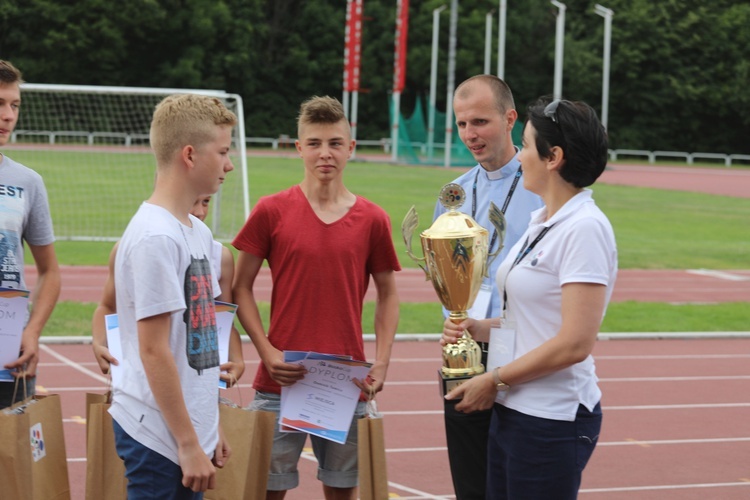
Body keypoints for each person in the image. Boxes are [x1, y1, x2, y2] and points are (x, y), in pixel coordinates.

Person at [443, 97, 617, 499]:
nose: (519, 157)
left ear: (553, 157)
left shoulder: (585, 228)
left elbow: (575, 342)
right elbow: (528, 320)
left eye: (525, 145)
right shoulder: (543, 221)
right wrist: (477, 328)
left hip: (551, 418)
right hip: (514, 408)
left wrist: (494, 379)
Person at [231, 95, 400, 500]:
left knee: (342, 491)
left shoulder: (373, 219)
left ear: (351, 147)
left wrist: (383, 359)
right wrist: (267, 350)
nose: (325, 154)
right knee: (263, 491)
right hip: (280, 380)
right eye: (315, 143)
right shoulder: (271, 210)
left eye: (335, 143)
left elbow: (388, 292)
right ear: (299, 148)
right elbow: (240, 286)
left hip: (346, 383)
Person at [108, 93, 237, 498]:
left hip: (185, 429)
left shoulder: (196, 232)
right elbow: (154, 351)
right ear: (189, 155)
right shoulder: (155, 237)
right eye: (222, 151)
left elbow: (200, 345)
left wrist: (208, 424)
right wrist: (186, 442)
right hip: (158, 436)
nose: (229, 164)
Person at [433, 74, 543, 500]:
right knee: (470, 478)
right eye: (462, 124)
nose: (469, 135)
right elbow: (445, 276)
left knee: (519, 477)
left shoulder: (541, 189)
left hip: (521, 347)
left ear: (510, 118)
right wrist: (454, 323)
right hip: (464, 348)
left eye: (480, 122)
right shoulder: (453, 193)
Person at [91, 194, 245, 388]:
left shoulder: (219, 257)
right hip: (141, 379)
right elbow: (107, 305)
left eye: (206, 202)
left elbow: (221, 319)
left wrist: (237, 360)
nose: (200, 212)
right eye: (192, 201)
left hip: (196, 383)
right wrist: (99, 342)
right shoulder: (132, 247)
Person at [0, 60, 61, 408]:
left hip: (9, 355)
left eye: (15, 105)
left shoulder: (27, 182)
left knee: (12, 461)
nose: (9, 115)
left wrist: (32, 332)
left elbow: (50, 271)